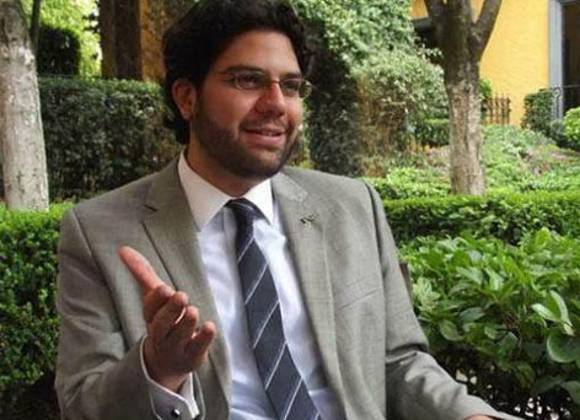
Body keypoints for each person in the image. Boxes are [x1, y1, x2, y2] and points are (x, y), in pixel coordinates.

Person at [55, 1, 522, 419]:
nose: (277, 104)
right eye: (248, 80)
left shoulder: (353, 206)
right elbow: (81, 404)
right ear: (186, 97)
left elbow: (399, 363)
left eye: (292, 86)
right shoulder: (101, 232)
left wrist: (468, 416)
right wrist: (158, 370)